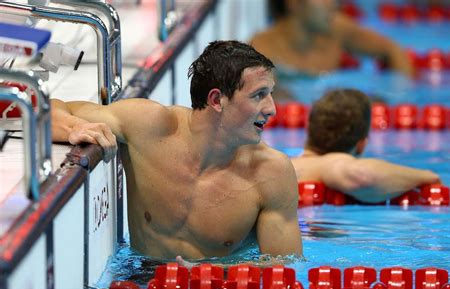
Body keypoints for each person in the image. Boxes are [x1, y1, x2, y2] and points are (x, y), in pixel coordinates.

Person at [51, 40, 303, 261]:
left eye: (269, 94)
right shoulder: (149, 126)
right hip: (142, 282)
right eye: (259, 95)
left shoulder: (271, 173)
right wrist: (74, 127)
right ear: (217, 100)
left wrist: (209, 279)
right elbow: (50, 107)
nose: (272, 109)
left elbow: (283, 272)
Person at [291, 89, 440, 203]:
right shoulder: (329, 163)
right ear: (362, 145)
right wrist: (426, 176)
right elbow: (363, 176)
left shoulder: (286, 163)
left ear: (308, 130)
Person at [250, 0, 414, 80]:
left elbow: (392, 49)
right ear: (294, 3)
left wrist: (400, 94)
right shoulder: (262, 51)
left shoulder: (337, 29)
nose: (334, 4)